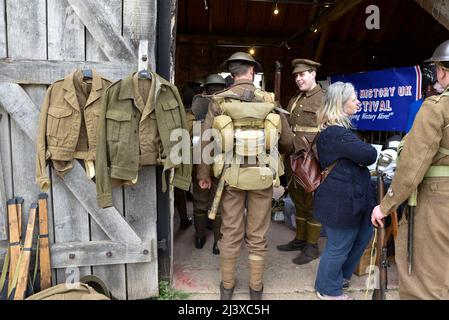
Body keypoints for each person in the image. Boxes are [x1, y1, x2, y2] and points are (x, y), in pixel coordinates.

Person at [197, 52, 292, 300]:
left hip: (230, 177)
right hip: (262, 176)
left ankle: (227, 288)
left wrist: (203, 174)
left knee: (229, 232)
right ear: (251, 72)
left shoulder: (218, 101)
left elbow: (206, 140)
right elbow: (287, 141)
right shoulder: (269, 99)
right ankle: (256, 290)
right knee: (258, 235)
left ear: (232, 74)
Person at [372, 40, 449, 300]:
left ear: (442, 72)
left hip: (437, 202)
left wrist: (385, 206)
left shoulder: (436, 107)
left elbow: (412, 167)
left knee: (425, 283)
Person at [312, 82, 377, 300]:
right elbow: (369, 155)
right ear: (340, 104)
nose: (357, 102)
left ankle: (339, 278)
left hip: (352, 199)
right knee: (339, 246)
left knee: (361, 236)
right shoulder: (336, 133)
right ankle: (327, 290)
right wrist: (364, 150)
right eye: (353, 99)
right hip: (341, 201)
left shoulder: (340, 132)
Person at [277, 58, 325, 265]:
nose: (298, 79)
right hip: (293, 160)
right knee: (298, 202)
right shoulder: (295, 99)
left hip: (312, 162)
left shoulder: (323, 99)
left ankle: (312, 247)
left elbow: (328, 132)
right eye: (296, 75)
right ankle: (300, 239)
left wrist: (318, 160)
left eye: (302, 74)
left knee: (313, 205)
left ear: (313, 74)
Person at [191, 74, 226, 254]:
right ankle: (217, 243)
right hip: (221, 159)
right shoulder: (227, 104)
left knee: (200, 200)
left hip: (201, 158)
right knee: (218, 201)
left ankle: (199, 237)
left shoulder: (198, 104)